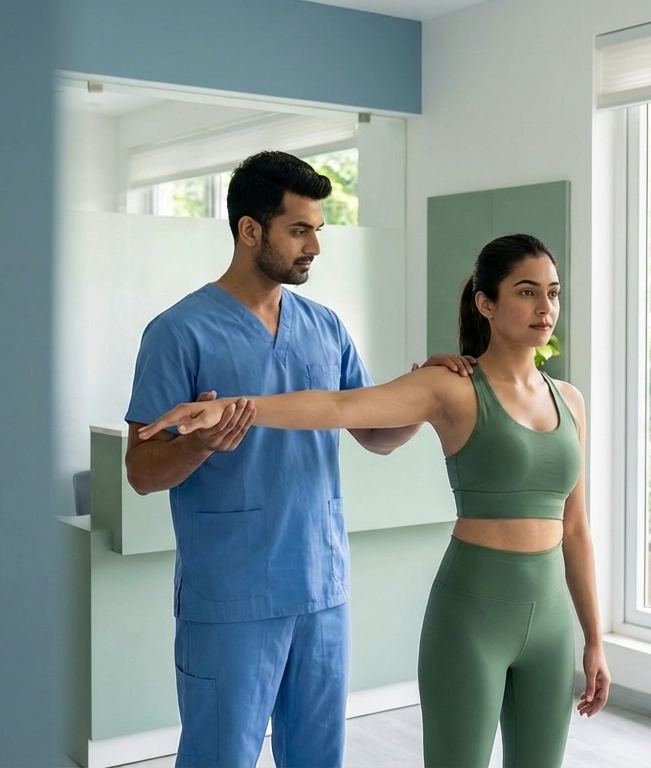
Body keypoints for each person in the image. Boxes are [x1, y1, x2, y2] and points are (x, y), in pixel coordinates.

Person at [140, 233, 612, 768]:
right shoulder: (451, 385)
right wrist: (232, 406)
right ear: (487, 302)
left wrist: (594, 638)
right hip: (473, 617)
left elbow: (576, 529)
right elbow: (341, 407)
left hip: (551, 625)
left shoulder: (569, 399)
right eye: (527, 292)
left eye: (552, 292)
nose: (545, 307)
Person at [123, 151, 475, 768]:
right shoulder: (178, 332)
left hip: (322, 588)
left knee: (317, 758)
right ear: (249, 230)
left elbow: (376, 435)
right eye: (299, 229)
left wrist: (425, 392)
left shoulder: (326, 327)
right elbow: (140, 472)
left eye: (318, 228)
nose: (316, 245)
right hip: (230, 597)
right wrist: (198, 446)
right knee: (217, 757)